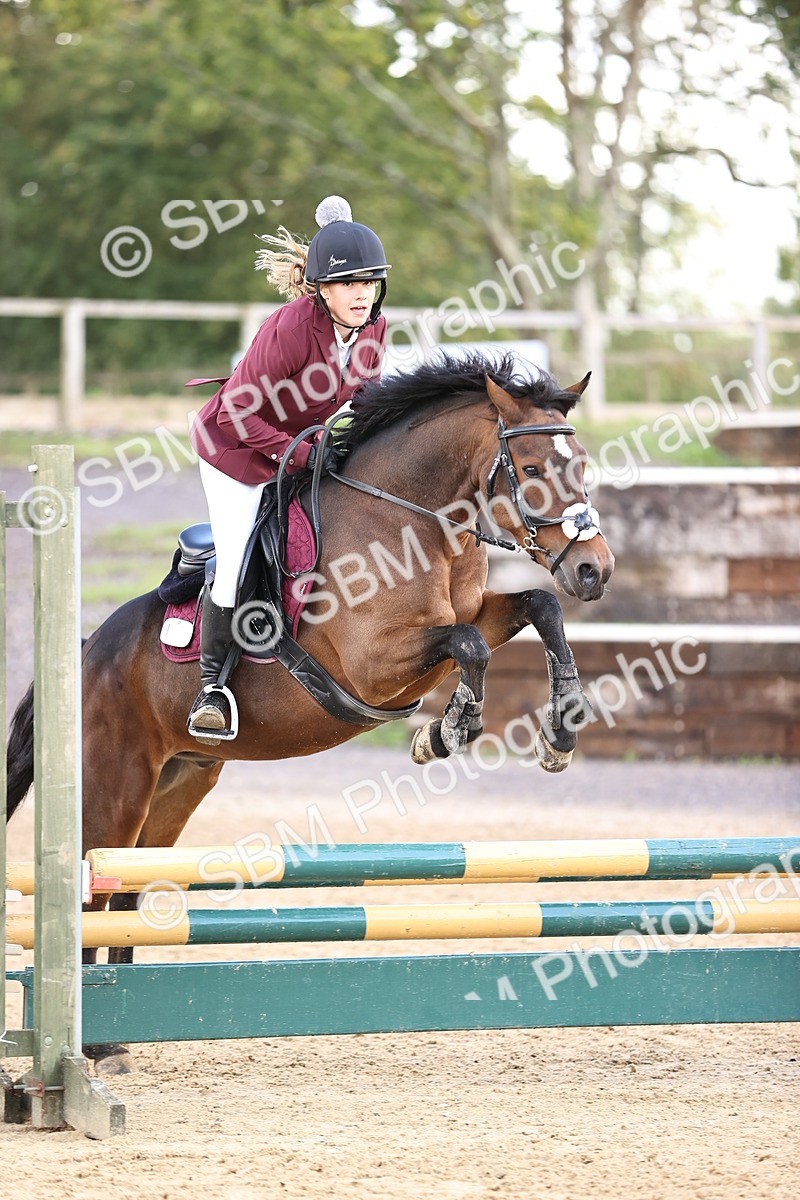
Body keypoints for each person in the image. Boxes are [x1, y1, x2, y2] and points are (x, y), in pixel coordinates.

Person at [185, 196, 390, 742]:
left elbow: (366, 399)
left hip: (299, 445)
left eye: (370, 283)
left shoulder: (375, 328)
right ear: (322, 289)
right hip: (234, 450)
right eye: (350, 284)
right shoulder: (291, 327)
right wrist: (303, 454)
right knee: (233, 562)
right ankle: (212, 690)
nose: (362, 294)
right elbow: (237, 411)